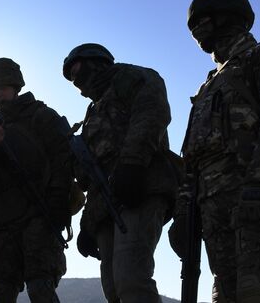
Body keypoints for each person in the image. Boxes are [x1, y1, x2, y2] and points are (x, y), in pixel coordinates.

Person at [170, 0, 260, 302]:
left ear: (228, 16)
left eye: (202, 21)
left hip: (254, 202)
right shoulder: (208, 84)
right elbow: (193, 156)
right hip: (211, 213)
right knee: (225, 295)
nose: (197, 32)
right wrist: (184, 210)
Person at [62, 43, 177, 303]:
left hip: (140, 187)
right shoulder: (94, 111)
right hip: (106, 205)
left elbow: (152, 113)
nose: (75, 80)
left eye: (76, 69)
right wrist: (87, 225)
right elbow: (92, 174)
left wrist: (132, 164)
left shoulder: (132, 78)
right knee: (113, 288)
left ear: (95, 61)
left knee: (131, 279)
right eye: (70, 77)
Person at [0, 57, 72, 303]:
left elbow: (62, 159)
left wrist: (58, 199)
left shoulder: (41, 116)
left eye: (1, 87)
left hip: (39, 213)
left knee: (40, 287)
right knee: (1, 291)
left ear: (15, 86)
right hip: (1, 221)